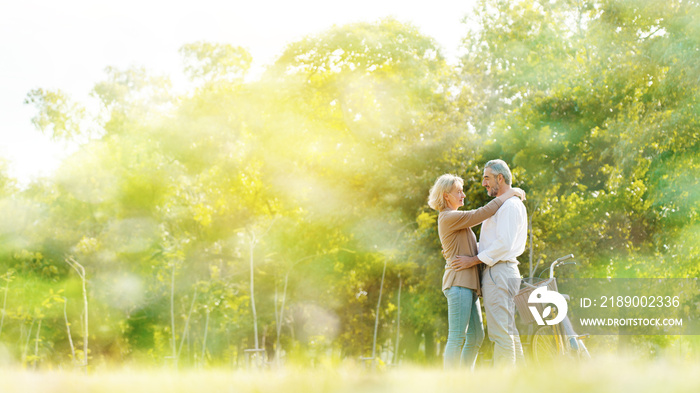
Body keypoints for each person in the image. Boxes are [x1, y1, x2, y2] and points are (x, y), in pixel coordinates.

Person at [428, 173, 525, 369]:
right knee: (457, 337)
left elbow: (472, 248)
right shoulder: (448, 217)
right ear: (446, 196)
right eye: (459, 191)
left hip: (468, 286)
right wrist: (509, 194)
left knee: (476, 337)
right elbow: (480, 214)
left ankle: (465, 381)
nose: (463, 195)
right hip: (458, 284)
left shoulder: (455, 221)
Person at [451, 159, 528, 367]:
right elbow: (489, 242)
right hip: (501, 271)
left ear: (499, 178)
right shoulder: (505, 204)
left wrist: (473, 260)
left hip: (499, 271)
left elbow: (503, 243)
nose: (483, 183)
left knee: (500, 334)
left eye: (486, 178)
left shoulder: (509, 206)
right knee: (508, 331)